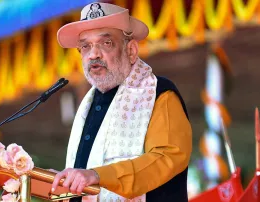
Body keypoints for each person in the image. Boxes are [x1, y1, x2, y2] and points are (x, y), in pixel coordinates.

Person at [51, 2, 192, 202]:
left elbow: (168, 156)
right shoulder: (89, 104)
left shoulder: (159, 93)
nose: (93, 54)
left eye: (106, 43)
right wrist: (52, 182)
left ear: (131, 51)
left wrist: (98, 176)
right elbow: (86, 178)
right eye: (85, 46)